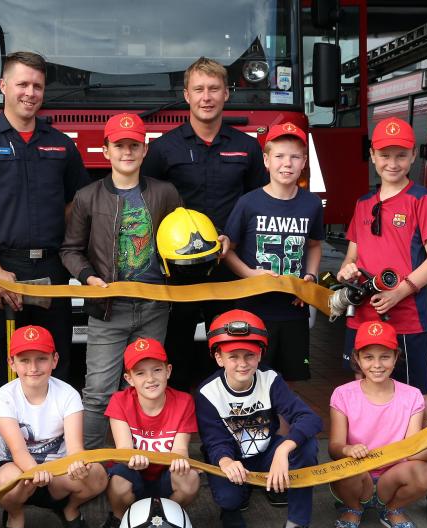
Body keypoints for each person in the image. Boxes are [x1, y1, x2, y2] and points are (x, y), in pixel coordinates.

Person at [0, 51, 91, 468]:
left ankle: (59, 471)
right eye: (23, 84)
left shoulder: (61, 145)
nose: (30, 93)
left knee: (54, 372)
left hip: (50, 272)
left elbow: (75, 206)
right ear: (4, 86)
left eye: (37, 86)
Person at [336, 116, 427, 528]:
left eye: (400, 154)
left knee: (422, 396)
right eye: (384, 154)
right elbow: (350, 258)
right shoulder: (363, 204)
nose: (392, 161)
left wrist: (403, 289)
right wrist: (347, 273)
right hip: (363, 319)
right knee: (359, 394)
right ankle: (360, 479)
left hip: (405, 317)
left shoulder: (423, 199)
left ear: (413, 156)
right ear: (372, 156)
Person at [142, 56, 268, 392]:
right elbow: (147, 208)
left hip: (229, 268)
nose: (206, 97)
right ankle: (178, 436)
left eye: (214, 89)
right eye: (199, 89)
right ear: (186, 95)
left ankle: (227, 427)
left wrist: (235, 243)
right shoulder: (163, 149)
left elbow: (259, 206)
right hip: (177, 273)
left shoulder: (247, 147)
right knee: (176, 353)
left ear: (227, 94)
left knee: (232, 351)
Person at [60, 112, 182, 449]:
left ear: (144, 150)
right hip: (107, 310)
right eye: (119, 145)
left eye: (133, 145)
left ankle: (141, 462)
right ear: (105, 150)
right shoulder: (88, 197)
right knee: (99, 391)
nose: (126, 152)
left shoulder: (165, 193)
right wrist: (88, 277)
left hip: (155, 307)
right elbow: (70, 249)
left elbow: (182, 242)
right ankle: (93, 465)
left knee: (147, 389)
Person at [195, 309, 322, 528]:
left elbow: (310, 419)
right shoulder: (207, 392)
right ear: (219, 358)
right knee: (230, 498)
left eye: (250, 355)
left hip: (266, 452)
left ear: (261, 354)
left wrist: (283, 450)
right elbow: (213, 440)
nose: (242, 363)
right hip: (231, 457)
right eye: (233, 356)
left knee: (307, 447)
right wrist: (227, 461)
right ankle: (232, 504)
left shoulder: (270, 379)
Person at [329, 321, 427, 528]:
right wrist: (348, 449)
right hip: (359, 474)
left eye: (385, 356)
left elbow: (412, 452)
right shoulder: (342, 394)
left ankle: (393, 508)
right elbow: (334, 447)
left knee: (425, 473)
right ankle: (353, 507)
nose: (377, 364)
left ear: (396, 357)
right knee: (346, 468)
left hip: (392, 477)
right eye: (368, 357)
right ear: (357, 359)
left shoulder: (413, 395)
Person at [0, 325, 107, 528]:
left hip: (58, 473)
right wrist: (34, 471)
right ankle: (14, 514)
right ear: (11, 362)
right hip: (19, 469)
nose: (33, 368)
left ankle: (70, 508)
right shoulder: (4, 396)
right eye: (24, 360)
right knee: (6, 482)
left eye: (41, 359)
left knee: (98, 476)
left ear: (54, 360)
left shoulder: (68, 395)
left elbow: (75, 448)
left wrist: (78, 465)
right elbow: (18, 451)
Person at [223, 122, 323, 383]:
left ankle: (284, 426)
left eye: (294, 156)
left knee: (288, 383)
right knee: (251, 378)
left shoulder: (311, 204)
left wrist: (310, 276)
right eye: (279, 156)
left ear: (304, 162)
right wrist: (250, 275)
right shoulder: (248, 203)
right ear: (266, 161)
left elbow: (313, 244)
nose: (286, 163)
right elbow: (228, 251)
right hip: (254, 309)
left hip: (293, 311)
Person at [88, 337, 201, 528]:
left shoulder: (184, 401)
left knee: (190, 478)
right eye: (140, 373)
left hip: (164, 477)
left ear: (168, 371)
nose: (150, 378)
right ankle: (118, 519)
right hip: (134, 474)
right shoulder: (120, 401)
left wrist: (180, 460)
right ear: (129, 378)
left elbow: (179, 449)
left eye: (156, 370)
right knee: (119, 481)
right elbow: (124, 449)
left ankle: (170, 519)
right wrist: (132, 456)